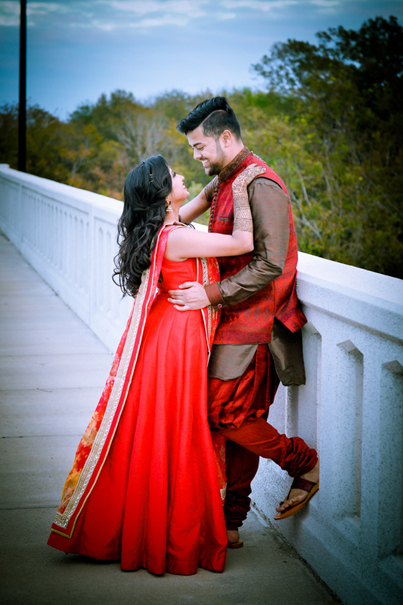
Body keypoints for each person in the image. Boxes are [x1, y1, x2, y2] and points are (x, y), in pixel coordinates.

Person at [47, 154, 264, 575]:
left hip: (170, 334)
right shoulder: (176, 238)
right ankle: (172, 537)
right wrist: (243, 188)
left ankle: (150, 526)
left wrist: (232, 170)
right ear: (165, 196)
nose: (183, 174)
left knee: (163, 430)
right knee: (180, 430)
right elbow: (244, 244)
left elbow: (199, 197)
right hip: (175, 342)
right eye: (174, 175)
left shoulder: (168, 227)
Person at [169, 97, 319, 548]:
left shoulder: (262, 183)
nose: (195, 156)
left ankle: (303, 462)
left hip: (256, 326)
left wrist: (209, 294)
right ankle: (231, 522)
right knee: (229, 422)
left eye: (199, 147)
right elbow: (177, 218)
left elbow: (271, 263)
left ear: (226, 137)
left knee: (226, 414)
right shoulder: (225, 180)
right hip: (228, 321)